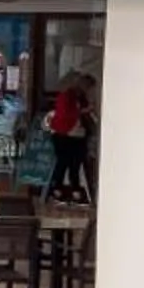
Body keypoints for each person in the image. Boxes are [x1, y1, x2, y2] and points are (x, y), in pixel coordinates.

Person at [45, 74, 94, 202]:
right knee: (63, 162)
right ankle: (57, 188)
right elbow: (64, 114)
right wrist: (82, 111)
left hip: (77, 135)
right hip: (63, 133)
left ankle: (75, 189)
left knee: (75, 164)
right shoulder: (66, 96)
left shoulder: (81, 98)